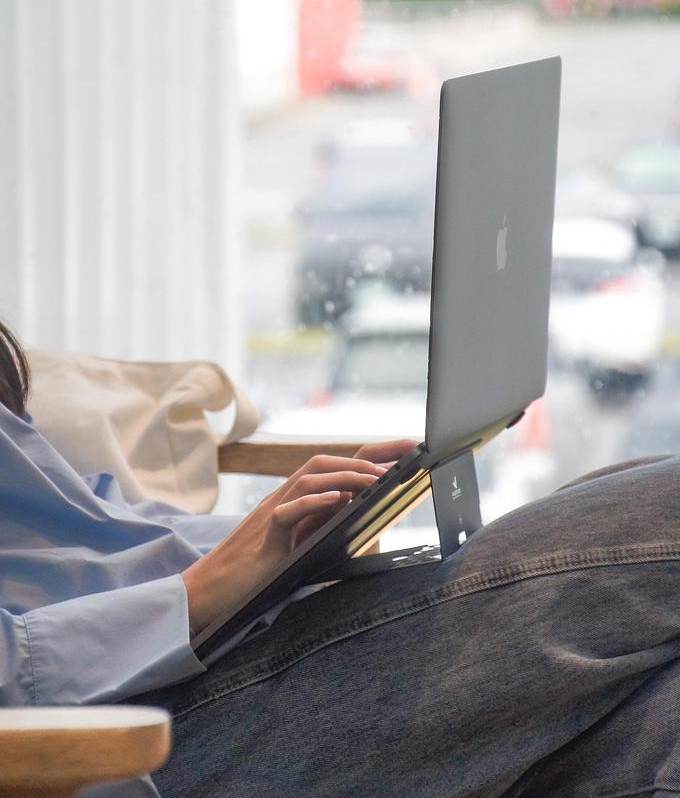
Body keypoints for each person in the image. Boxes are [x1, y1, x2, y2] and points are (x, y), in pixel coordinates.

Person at [2, 320, 680, 798]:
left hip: (214, 641)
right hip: (123, 733)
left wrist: (270, 543)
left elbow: (88, 527)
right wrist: (192, 594)